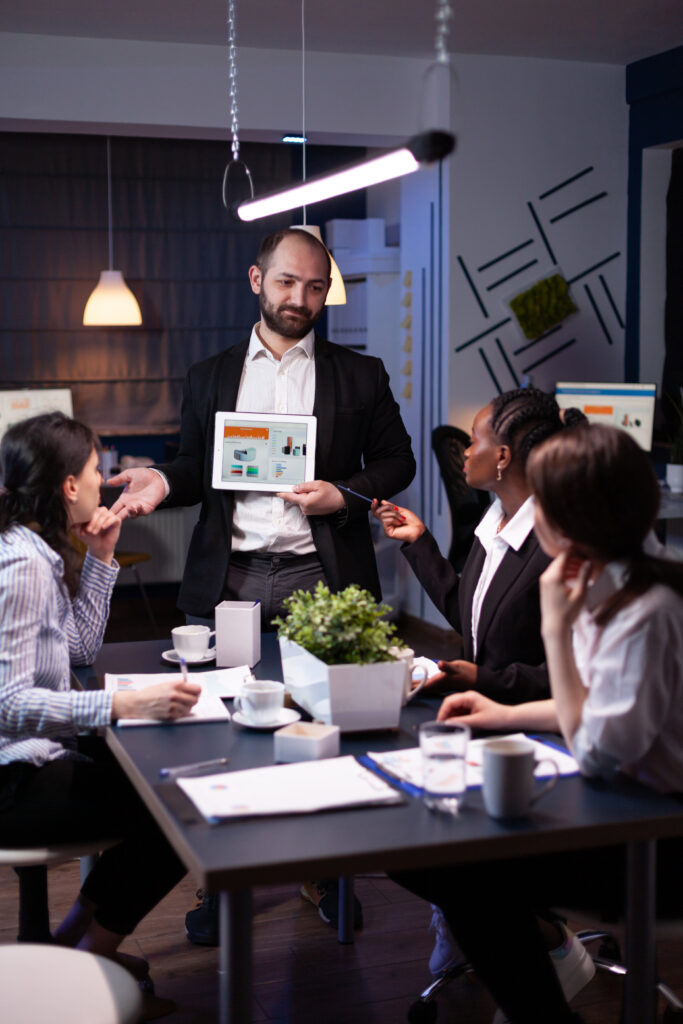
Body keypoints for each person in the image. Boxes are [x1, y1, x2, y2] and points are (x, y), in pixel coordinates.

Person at [109, 227, 416, 942]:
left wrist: (344, 495)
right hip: (232, 580)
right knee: (226, 736)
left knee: (328, 733)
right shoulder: (210, 375)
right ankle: (224, 884)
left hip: (323, 578)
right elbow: (193, 468)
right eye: (286, 283)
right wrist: (161, 478)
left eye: (315, 288)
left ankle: (326, 873)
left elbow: (396, 462)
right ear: (256, 280)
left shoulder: (359, 374)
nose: (300, 299)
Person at [391, 423, 683, 1024]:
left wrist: (556, 625)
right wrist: (505, 713)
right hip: (623, 803)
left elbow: (599, 748)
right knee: (421, 848)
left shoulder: (646, 609)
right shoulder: (619, 574)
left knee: (456, 864)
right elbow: (597, 708)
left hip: (656, 838)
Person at [0, 412, 201, 1020]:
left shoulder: (38, 546)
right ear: (68, 486)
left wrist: (102, 559)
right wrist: (122, 703)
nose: (103, 480)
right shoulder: (24, 562)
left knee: (155, 781)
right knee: (177, 809)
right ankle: (94, 952)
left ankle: (73, 942)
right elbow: (7, 703)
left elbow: (78, 650)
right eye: (95, 471)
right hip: (12, 779)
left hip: (36, 757)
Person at [373, 388, 585, 707]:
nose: (467, 452)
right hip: (478, 711)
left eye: (474, 440)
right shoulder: (494, 519)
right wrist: (418, 540)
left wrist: (480, 679)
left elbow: (568, 674)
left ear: (502, 456)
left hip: (529, 726)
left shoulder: (557, 545)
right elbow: (471, 619)